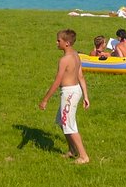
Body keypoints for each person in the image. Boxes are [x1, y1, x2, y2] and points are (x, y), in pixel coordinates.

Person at [39, 29, 90, 164]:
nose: (56, 42)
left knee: (69, 124)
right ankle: (72, 150)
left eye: (59, 41)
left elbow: (57, 81)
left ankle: (84, 156)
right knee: (62, 122)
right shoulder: (76, 55)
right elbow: (81, 76)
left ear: (66, 43)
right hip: (76, 91)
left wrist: (45, 100)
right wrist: (85, 96)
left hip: (69, 93)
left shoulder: (64, 60)